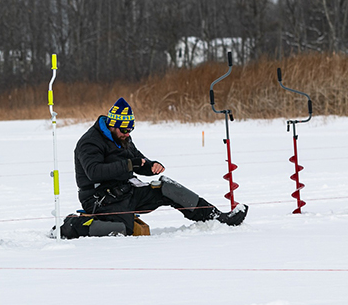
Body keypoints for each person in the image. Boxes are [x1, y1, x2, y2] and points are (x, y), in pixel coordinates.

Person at [69, 97, 247, 237]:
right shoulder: (90, 142)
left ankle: (216, 217)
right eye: (124, 131)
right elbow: (94, 172)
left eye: (130, 130)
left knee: (166, 187)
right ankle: (73, 226)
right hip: (99, 199)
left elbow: (138, 160)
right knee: (122, 230)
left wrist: (152, 165)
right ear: (112, 125)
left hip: (126, 191)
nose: (127, 134)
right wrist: (130, 164)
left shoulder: (122, 138)